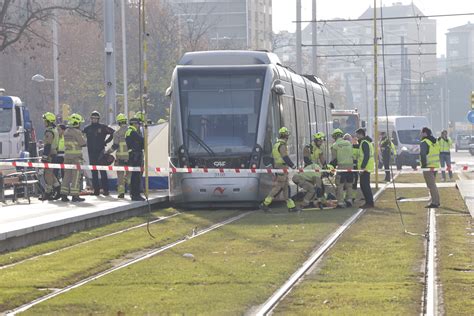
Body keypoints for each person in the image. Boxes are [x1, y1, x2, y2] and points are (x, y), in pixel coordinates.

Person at [260, 127, 300, 212]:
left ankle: (291, 206)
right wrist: (292, 165)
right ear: (286, 135)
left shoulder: (276, 144)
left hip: (279, 167)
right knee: (278, 187)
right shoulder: (282, 145)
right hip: (282, 168)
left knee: (286, 187)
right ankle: (265, 203)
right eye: (287, 135)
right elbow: (285, 157)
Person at [83, 111, 114, 196]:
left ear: (98, 119)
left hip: (100, 152)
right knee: (94, 172)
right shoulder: (87, 128)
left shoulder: (103, 127)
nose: (94, 120)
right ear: (91, 119)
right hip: (91, 152)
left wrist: (106, 142)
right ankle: (96, 190)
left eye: (96, 118)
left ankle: (106, 190)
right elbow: (82, 135)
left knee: (103, 171)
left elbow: (112, 133)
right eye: (93, 118)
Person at [60, 113, 87, 202]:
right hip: (76, 158)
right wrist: (84, 137)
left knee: (66, 176)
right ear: (76, 123)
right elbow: (83, 143)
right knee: (76, 176)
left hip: (67, 157)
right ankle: (75, 196)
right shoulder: (77, 132)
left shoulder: (66, 131)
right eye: (79, 123)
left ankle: (63, 195)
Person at [107, 114, 129, 199]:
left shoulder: (117, 133)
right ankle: (126, 182)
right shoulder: (130, 131)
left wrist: (107, 152)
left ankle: (121, 193)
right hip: (129, 157)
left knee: (120, 175)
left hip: (120, 158)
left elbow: (115, 146)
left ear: (119, 123)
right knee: (129, 173)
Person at [330, 129, 354, 208]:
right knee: (349, 185)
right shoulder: (349, 143)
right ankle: (349, 200)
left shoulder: (334, 145)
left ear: (334, 137)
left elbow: (334, 159)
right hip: (350, 167)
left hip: (341, 167)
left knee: (340, 185)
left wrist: (330, 167)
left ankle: (340, 202)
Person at [40, 112, 61, 200]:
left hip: (49, 155)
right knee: (51, 174)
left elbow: (48, 145)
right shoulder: (55, 129)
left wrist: (44, 157)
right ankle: (58, 189)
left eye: (45, 121)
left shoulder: (49, 131)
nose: (44, 122)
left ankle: (48, 193)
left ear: (49, 121)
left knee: (48, 175)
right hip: (54, 153)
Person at [420, 127, 440, 208]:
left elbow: (423, 154)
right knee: (432, 185)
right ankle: (435, 200)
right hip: (435, 166)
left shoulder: (424, 142)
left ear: (425, 133)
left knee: (431, 185)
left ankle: (435, 202)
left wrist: (424, 166)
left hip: (427, 166)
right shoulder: (435, 141)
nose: (420, 134)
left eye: (421, 132)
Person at [126, 117, 145, 201]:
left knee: (135, 176)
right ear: (134, 124)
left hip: (134, 155)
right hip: (135, 156)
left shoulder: (130, 131)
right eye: (137, 124)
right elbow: (142, 140)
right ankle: (135, 195)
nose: (138, 126)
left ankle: (134, 194)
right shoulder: (132, 132)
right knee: (136, 177)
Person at [355, 128, 375, 208]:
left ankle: (369, 202)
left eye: (357, 135)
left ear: (360, 134)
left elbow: (366, 156)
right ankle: (369, 202)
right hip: (366, 167)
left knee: (365, 185)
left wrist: (362, 167)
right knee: (364, 185)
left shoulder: (364, 143)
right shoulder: (366, 142)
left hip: (365, 168)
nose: (356, 136)